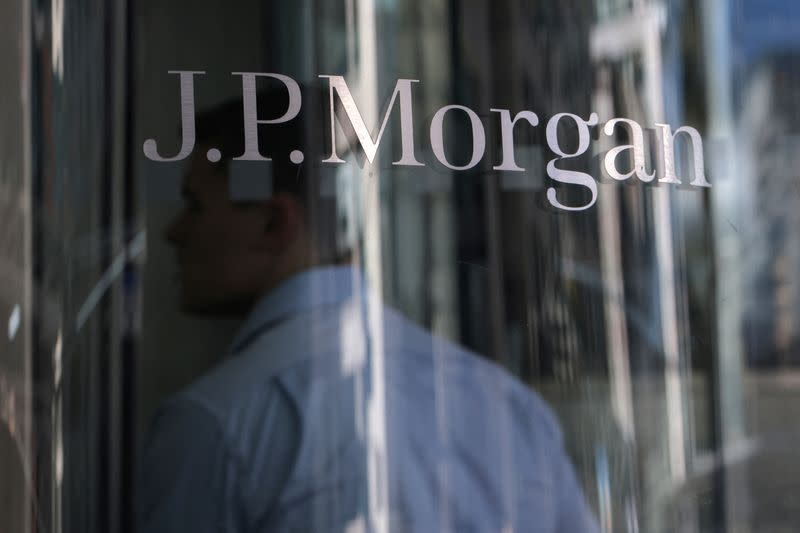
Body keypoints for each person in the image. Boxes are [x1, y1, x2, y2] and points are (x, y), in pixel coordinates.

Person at [137, 84, 600, 532]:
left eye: (194, 206)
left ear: (276, 221)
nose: (173, 231)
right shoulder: (507, 407)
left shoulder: (218, 427)